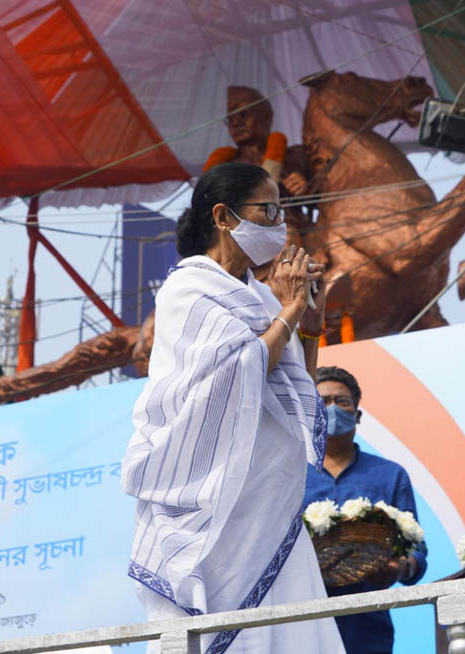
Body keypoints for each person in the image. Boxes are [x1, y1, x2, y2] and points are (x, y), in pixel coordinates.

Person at [121, 162, 344, 654]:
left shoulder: (260, 293)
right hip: (214, 495)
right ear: (223, 216)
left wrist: (310, 319)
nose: (278, 224)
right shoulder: (188, 289)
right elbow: (237, 376)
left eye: (280, 211)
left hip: (266, 495)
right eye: (267, 210)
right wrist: (287, 311)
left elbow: (293, 386)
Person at [303, 366, 428, 654]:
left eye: (342, 401)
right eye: (323, 401)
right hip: (302, 620)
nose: (332, 408)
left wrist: (401, 568)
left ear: (357, 415)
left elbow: (417, 550)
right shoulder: (292, 474)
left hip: (368, 620)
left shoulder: (390, 474)